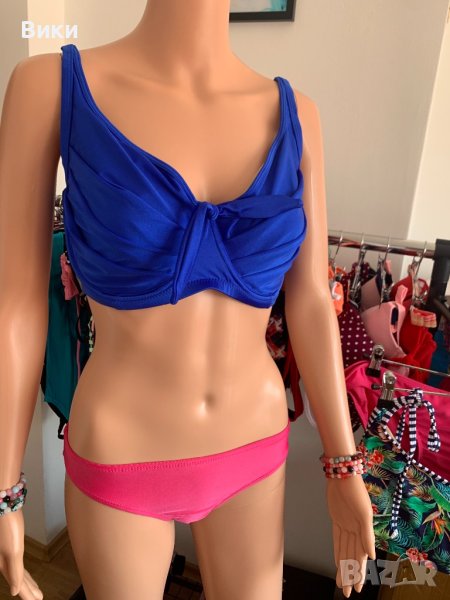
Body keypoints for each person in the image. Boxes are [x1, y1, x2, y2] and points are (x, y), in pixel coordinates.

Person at [0, 1, 375, 598]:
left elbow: (309, 299)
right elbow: (16, 306)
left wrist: (342, 462)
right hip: (121, 451)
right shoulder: (49, 86)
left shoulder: (298, 114)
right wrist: (5, 491)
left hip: (253, 446)